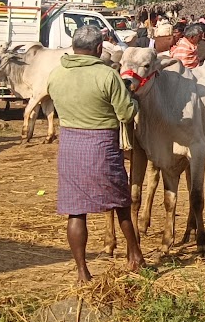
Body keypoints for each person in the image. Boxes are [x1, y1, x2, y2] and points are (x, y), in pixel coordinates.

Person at [46, 22, 142, 282]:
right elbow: (125, 113)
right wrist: (131, 98)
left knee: (76, 211)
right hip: (101, 145)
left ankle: (81, 271)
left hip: (70, 145)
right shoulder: (107, 76)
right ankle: (135, 256)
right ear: (100, 48)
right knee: (121, 203)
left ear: (74, 48)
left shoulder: (56, 74)